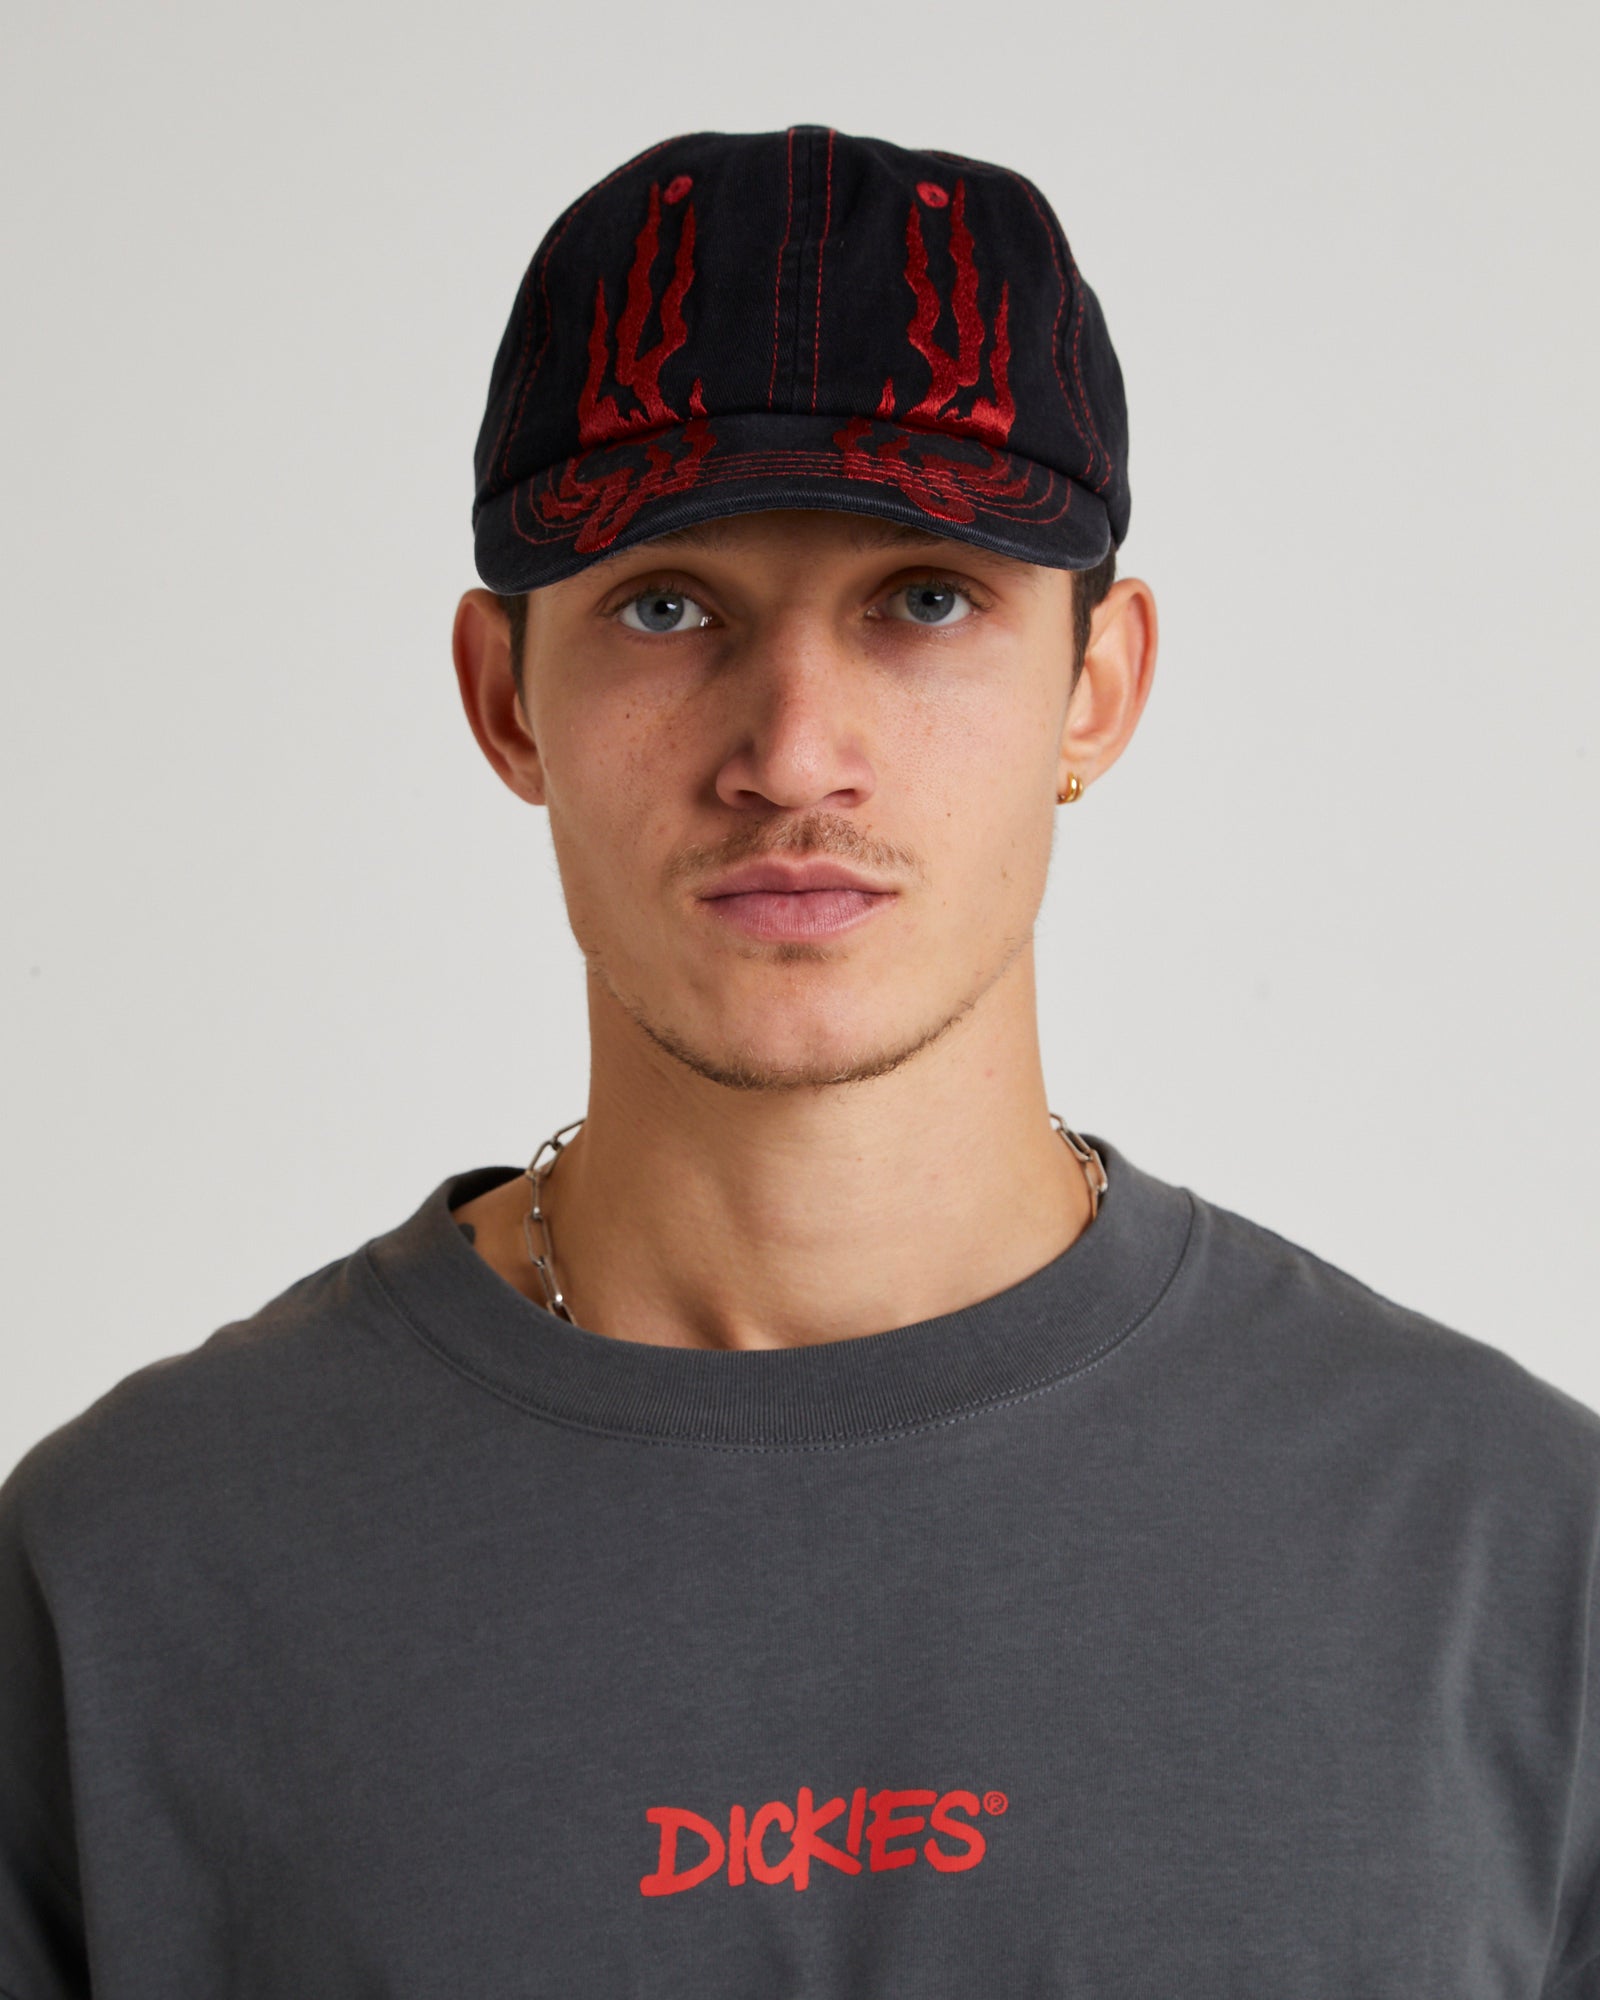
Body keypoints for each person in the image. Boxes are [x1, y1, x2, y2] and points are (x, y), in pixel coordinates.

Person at [1, 125, 1596, 1999]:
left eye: (926, 598)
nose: (792, 753)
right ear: (507, 698)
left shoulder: (1513, 1563)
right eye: (669, 606)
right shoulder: (126, 1589)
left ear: (1095, 688)